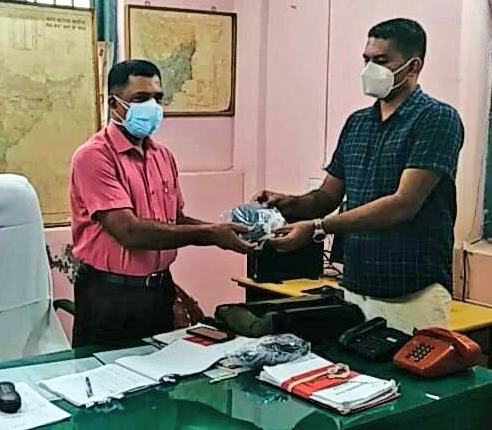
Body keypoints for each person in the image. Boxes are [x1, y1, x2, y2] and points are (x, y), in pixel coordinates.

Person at [254, 19, 464, 333]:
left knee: (407, 368)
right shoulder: (358, 123)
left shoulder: (437, 119)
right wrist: (287, 203)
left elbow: (403, 204)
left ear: (413, 66)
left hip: (412, 293)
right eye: (366, 60)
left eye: (381, 61)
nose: (369, 69)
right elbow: (327, 196)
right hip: (355, 286)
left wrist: (317, 228)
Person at [69, 60, 255, 347]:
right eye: (140, 98)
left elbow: (174, 221)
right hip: (109, 295)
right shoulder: (94, 156)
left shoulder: (162, 156)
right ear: (114, 104)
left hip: (158, 290)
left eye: (158, 98)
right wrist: (211, 234)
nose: (153, 107)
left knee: (162, 368)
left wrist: (226, 232)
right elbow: (129, 231)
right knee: (104, 371)